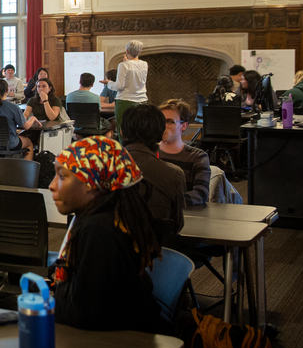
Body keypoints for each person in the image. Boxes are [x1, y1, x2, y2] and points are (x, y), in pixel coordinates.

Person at [49, 136, 163, 333]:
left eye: (62, 176)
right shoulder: (99, 217)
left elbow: (86, 315)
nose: (52, 185)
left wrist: (30, 303)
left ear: (92, 183)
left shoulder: (98, 230)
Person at [119, 103, 185, 244]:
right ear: (161, 134)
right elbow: (177, 225)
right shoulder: (174, 174)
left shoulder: (97, 169)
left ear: (121, 132)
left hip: (104, 257)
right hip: (154, 258)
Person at [158, 99, 211, 206]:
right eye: (161, 121)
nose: (163, 126)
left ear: (184, 126)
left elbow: (201, 194)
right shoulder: (148, 153)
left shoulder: (197, 157)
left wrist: (166, 202)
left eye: (170, 122)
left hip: (185, 215)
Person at [100, 40, 148, 139]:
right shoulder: (144, 64)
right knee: (138, 129)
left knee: (124, 130)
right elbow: (134, 75)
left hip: (125, 102)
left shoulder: (123, 65)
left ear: (127, 51)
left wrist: (109, 83)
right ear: (140, 51)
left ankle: (124, 151)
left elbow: (119, 86)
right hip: (142, 101)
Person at [0, 78, 39, 160]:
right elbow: (26, 127)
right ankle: (27, 171)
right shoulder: (13, 107)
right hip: (10, 143)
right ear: (7, 90)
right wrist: (32, 118)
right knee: (29, 143)